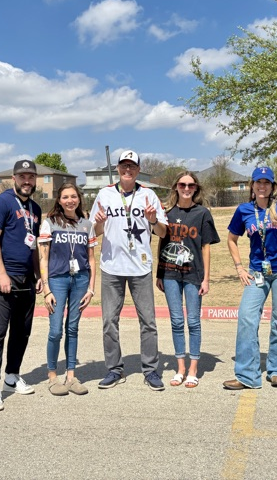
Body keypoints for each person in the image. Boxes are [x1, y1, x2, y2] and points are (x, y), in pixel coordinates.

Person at [90, 150, 168, 391]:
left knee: (148, 321)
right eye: (124, 165)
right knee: (109, 321)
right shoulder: (104, 194)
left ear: (138, 169)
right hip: (112, 267)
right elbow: (94, 231)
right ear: (118, 168)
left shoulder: (149, 195)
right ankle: (114, 369)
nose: (128, 170)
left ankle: (151, 369)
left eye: (132, 166)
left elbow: (163, 233)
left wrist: (153, 220)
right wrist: (100, 221)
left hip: (140, 267)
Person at [222, 167, 277, 391]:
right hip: (256, 272)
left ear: (273, 186)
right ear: (252, 186)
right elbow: (231, 240)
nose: (262, 186)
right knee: (247, 318)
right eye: (258, 182)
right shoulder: (244, 210)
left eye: (267, 182)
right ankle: (247, 375)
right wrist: (239, 268)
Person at [0, 159, 43, 411]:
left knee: (22, 330)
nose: (26, 181)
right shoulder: (2, 203)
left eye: (31, 177)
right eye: (22, 176)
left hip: (27, 277)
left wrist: (38, 274)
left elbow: (33, 244)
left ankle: (11, 376)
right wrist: (2, 274)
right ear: (14, 179)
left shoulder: (36, 209)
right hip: (3, 277)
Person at [156, 171, 220, 388]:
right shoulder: (166, 213)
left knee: (193, 321)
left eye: (190, 185)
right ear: (176, 187)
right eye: (182, 184)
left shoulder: (202, 213)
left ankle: (193, 369)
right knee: (176, 321)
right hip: (170, 273)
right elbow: (161, 244)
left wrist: (206, 279)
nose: (186, 188)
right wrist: (159, 274)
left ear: (195, 189)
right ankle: (180, 368)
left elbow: (206, 248)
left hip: (194, 274)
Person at [39, 183, 97, 396]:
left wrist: (91, 289)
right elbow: (43, 258)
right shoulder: (50, 223)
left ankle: (71, 376)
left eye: (74, 196)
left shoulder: (86, 225)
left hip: (80, 280)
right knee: (56, 331)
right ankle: (53, 376)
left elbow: (91, 259)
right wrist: (46, 289)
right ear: (59, 200)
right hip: (57, 281)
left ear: (79, 199)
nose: (70, 200)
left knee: (72, 328)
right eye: (65, 197)